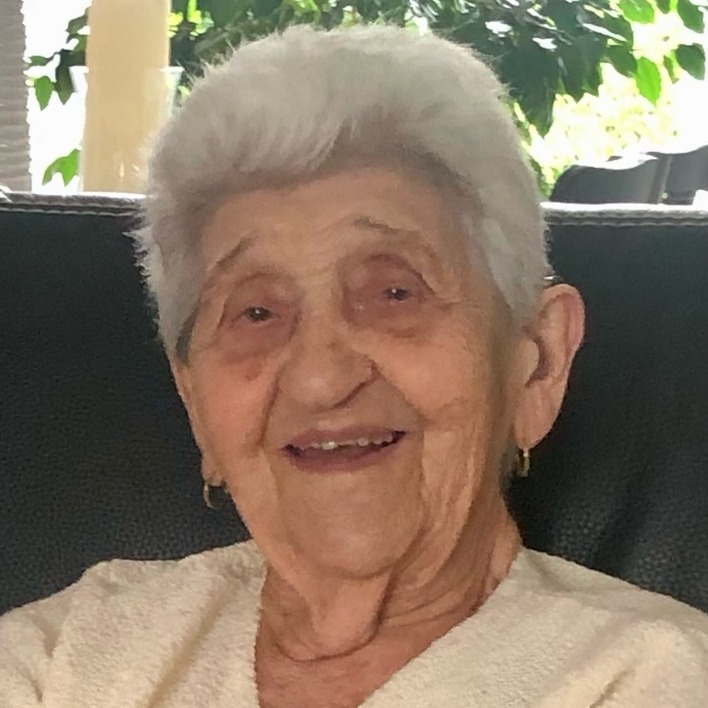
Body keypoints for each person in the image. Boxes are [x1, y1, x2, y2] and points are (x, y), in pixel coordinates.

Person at [1, 24, 708, 708]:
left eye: (395, 293)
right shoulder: (68, 653)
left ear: (538, 364)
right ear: (195, 402)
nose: (320, 379)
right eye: (256, 312)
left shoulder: (653, 677)